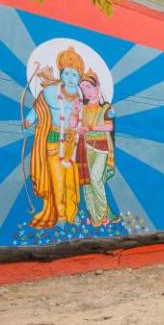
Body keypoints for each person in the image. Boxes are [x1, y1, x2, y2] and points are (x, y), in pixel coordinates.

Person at [23, 46, 85, 228]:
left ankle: (71, 213)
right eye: (66, 74)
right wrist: (28, 122)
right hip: (52, 141)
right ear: (61, 75)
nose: (70, 78)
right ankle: (61, 216)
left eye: (74, 75)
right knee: (57, 182)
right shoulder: (51, 92)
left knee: (71, 183)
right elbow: (37, 109)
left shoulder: (82, 98)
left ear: (80, 78)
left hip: (72, 144)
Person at [77, 70, 120, 226]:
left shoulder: (106, 108)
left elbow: (109, 127)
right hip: (86, 148)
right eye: (82, 89)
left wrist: (89, 128)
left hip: (101, 149)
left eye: (88, 87)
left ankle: (102, 216)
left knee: (96, 180)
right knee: (87, 183)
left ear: (98, 87)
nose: (85, 92)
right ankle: (95, 216)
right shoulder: (82, 108)